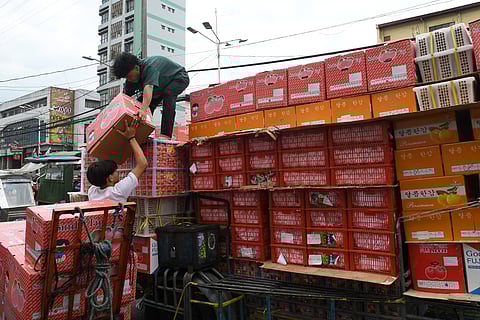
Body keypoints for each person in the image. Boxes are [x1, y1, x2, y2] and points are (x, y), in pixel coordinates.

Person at [112, 52, 190, 138]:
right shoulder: (130, 80)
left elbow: (148, 87)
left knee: (167, 94)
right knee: (138, 105)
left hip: (179, 78)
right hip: (159, 87)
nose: (129, 79)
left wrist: (144, 109)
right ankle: (139, 135)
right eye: (126, 77)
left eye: (129, 76)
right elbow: (125, 98)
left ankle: (166, 134)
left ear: (136, 68)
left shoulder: (149, 67)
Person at [87, 119, 148, 202]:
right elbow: (142, 164)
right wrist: (131, 137)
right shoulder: (118, 191)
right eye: (115, 171)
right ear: (110, 178)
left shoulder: (92, 192)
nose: (118, 172)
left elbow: (97, 172)